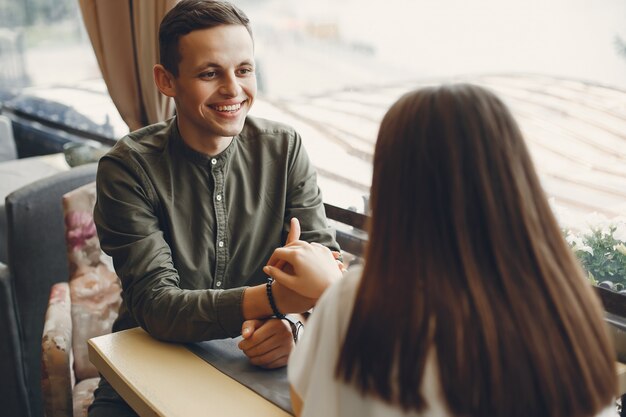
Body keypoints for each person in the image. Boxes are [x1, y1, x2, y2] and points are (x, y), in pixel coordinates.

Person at [265, 84, 618, 417]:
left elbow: (307, 402)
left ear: (392, 190)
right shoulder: (568, 312)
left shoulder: (358, 303)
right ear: (516, 181)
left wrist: (324, 299)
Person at [89, 1, 338, 415]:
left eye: (244, 70)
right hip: (145, 360)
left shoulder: (285, 148)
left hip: (253, 362)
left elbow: (326, 260)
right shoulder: (127, 167)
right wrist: (280, 299)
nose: (233, 90)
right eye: (210, 73)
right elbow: (157, 304)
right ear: (166, 81)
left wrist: (294, 325)